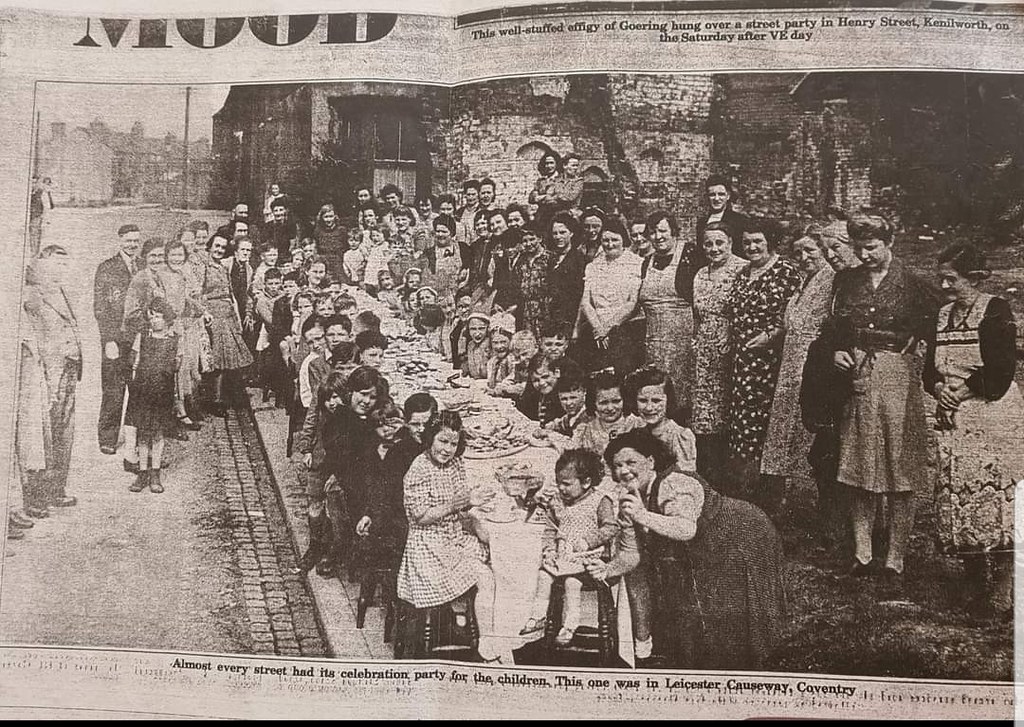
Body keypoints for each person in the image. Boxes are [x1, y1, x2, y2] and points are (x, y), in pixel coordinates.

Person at [589, 430, 785, 669]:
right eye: (618, 465)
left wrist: (642, 515)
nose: (624, 470)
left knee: (741, 606)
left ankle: (754, 664)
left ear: (650, 461)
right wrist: (607, 569)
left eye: (631, 462)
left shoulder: (673, 483)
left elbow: (685, 528)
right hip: (708, 545)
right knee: (702, 607)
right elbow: (632, 554)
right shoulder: (630, 498)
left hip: (743, 533)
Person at [827, 214, 939, 583]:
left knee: (899, 467)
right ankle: (862, 554)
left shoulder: (913, 283)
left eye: (872, 247)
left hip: (897, 376)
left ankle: (895, 559)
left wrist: (922, 361)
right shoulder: (846, 280)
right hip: (858, 376)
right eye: (859, 248)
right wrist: (837, 350)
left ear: (889, 243)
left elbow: (935, 328)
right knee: (858, 464)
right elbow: (834, 327)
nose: (865, 255)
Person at [924, 243, 1022, 614]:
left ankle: (1003, 582)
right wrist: (940, 391)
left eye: (952, 279)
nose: (945, 285)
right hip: (953, 420)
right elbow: (929, 371)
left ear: (975, 277)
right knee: (958, 496)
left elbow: (1000, 371)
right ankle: (973, 575)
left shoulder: (994, 310)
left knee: (996, 497)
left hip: (992, 416)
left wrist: (960, 393)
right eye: (941, 278)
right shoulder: (941, 315)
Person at [396, 410, 497, 660]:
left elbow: (462, 503)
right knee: (484, 577)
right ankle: (484, 638)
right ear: (430, 437)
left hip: (452, 537)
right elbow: (420, 516)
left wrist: (472, 508)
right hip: (427, 546)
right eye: (442, 441)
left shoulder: (456, 463)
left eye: (453, 443)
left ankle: (467, 617)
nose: (447, 449)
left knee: (494, 557)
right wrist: (458, 504)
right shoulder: (419, 468)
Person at [722, 218, 801, 506]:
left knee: (769, 423)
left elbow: (793, 315)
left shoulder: (786, 272)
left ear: (770, 241)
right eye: (747, 242)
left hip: (771, 361)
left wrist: (769, 336)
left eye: (758, 241)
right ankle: (747, 489)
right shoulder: (743, 273)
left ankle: (772, 494)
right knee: (744, 422)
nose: (752, 247)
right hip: (742, 361)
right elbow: (733, 312)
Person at [760, 232, 836, 491]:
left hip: (814, 365)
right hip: (791, 364)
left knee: (808, 428)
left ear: (823, 250)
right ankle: (786, 489)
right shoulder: (803, 281)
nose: (803, 257)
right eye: (797, 253)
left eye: (810, 250)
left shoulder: (831, 280)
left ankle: (808, 490)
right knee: (786, 425)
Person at [520, 449, 618, 644]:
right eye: (558, 483)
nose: (561, 488)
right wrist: (549, 550)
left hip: (590, 559)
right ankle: (538, 616)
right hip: (564, 556)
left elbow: (611, 527)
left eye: (566, 484)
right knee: (543, 575)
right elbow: (550, 528)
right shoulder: (557, 501)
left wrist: (588, 541)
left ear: (586, 482)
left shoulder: (600, 501)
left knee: (572, 583)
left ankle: (570, 624)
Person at [22, 245, 82, 513]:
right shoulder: (34, 294)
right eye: (57, 263)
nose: (62, 269)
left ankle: (57, 489)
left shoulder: (62, 291)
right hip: (49, 374)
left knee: (64, 433)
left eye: (65, 264)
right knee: (44, 435)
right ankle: (40, 494)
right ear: (42, 263)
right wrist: (48, 378)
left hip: (69, 369)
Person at [691, 223, 747, 483]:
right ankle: (708, 478)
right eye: (708, 244)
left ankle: (731, 479)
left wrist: (731, 334)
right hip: (705, 352)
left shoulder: (743, 269)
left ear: (730, 243)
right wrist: (696, 340)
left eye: (719, 242)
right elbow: (697, 314)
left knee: (729, 412)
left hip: (732, 349)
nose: (713, 249)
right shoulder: (701, 273)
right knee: (706, 414)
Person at [636, 211, 700, 411]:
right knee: (656, 393)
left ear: (674, 232)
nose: (658, 236)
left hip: (682, 343)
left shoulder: (690, 255)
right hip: (654, 342)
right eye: (653, 232)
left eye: (663, 231)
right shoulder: (647, 262)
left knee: (682, 396)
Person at [575, 218, 643, 375]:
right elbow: (586, 302)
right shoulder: (593, 266)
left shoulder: (637, 263)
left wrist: (607, 329)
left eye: (614, 240)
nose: (610, 244)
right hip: (595, 329)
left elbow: (632, 302)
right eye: (605, 240)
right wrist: (598, 328)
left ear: (623, 240)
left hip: (625, 327)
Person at [94, 223, 140, 455]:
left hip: (139, 337)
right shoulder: (107, 267)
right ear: (120, 240)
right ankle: (108, 437)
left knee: (139, 388)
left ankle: (137, 437)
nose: (132, 245)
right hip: (116, 338)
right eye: (128, 240)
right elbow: (100, 308)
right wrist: (108, 340)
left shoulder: (142, 266)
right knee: (113, 387)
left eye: (135, 241)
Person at [125, 298, 179, 495]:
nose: (154, 321)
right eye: (152, 317)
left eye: (159, 317)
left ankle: (155, 472)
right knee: (142, 432)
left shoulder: (174, 340)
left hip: (162, 392)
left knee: (157, 433)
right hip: (143, 390)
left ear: (167, 319)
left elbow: (177, 366)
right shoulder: (143, 337)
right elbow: (133, 362)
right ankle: (142, 472)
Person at [196, 234, 254, 414]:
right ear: (210, 247)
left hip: (227, 315)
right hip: (213, 315)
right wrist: (204, 312)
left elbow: (230, 294)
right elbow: (198, 292)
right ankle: (215, 400)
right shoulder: (203, 267)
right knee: (217, 360)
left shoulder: (222, 267)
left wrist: (236, 317)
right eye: (217, 246)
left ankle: (228, 397)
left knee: (231, 359)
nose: (219, 250)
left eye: (222, 247)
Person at [624, 365, 697, 473]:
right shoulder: (633, 427)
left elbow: (685, 475)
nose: (649, 408)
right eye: (643, 401)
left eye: (656, 401)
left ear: (668, 401)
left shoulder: (679, 436)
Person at [568, 370, 645, 458]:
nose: (610, 408)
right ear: (593, 403)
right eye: (603, 403)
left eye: (616, 401)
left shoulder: (638, 425)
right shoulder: (585, 431)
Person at [546, 211, 587, 331]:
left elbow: (581, 293)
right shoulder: (550, 258)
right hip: (552, 315)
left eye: (563, 232)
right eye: (555, 233)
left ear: (572, 233)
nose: (558, 237)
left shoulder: (579, 259)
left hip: (571, 315)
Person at [695, 174, 748, 258]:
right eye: (712, 195)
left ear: (728, 196)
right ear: (707, 197)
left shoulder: (740, 220)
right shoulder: (702, 223)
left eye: (721, 194)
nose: (716, 199)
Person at [513, 223, 550, 339]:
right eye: (525, 241)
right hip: (525, 309)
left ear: (540, 238)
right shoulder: (521, 260)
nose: (528, 244)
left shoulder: (549, 258)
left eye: (532, 239)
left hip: (544, 308)